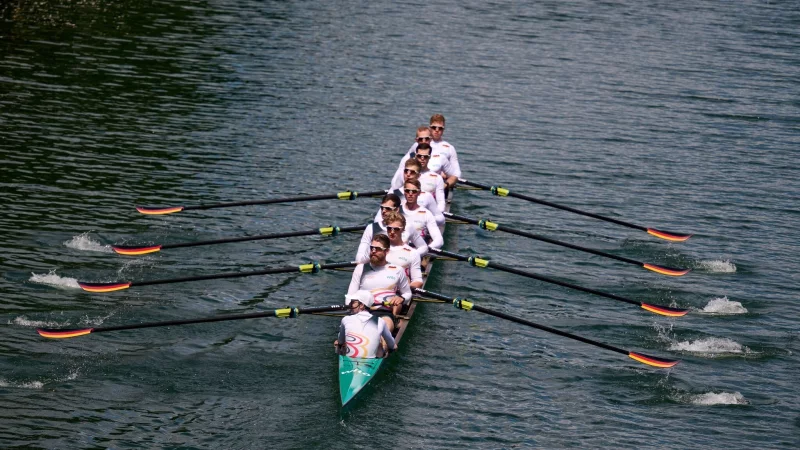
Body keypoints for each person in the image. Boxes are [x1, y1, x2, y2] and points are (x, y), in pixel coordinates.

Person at [348, 234, 412, 333]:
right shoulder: (360, 268)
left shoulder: (397, 270)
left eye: (377, 249)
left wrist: (401, 298)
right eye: (371, 248)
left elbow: (408, 294)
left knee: (382, 329)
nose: (373, 251)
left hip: (384, 312)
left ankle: (383, 340)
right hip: (362, 311)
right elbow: (350, 296)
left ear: (386, 251)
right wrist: (354, 305)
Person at [355, 193, 428, 263]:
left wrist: (410, 257)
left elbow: (424, 247)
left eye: (387, 209)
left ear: (396, 210)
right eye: (382, 208)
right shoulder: (371, 228)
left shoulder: (408, 227)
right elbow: (360, 255)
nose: (383, 211)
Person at [383, 157, 444, 229]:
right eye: (406, 171)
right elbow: (380, 216)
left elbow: (441, 219)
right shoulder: (393, 193)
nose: (408, 174)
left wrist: (426, 220)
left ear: (418, 176)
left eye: (412, 172)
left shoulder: (426, 196)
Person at [335, 290, 397, 358]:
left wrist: (341, 343)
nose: (349, 304)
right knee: (384, 345)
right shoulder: (380, 321)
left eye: (352, 302)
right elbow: (392, 345)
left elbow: (340, 341)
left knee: (338, 343)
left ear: (361, 305)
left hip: (350, 359)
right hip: (372, 360)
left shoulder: (346, 319)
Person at [382, 211, 423, 288]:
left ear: (403, 229)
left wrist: (405, 290)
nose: (392, 232)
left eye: (396, 229)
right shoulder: (378, 248)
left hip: (399, 294)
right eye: (389, 228)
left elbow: (418, 281)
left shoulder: (413, 253)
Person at [401, 179, 443, 251]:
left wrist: (424, 250)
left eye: (414, 191)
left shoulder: (426, 214)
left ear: (419, 193)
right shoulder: (396, 211)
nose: (410, 194)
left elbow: (439, 240)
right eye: (407, 191)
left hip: (418, 250)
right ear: (404, 192)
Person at [428, 114, 461, 190]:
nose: (437, 130)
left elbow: (457, 173)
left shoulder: (450, 148)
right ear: (430, 128)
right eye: (434, 127)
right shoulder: (422, 144)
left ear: (443, 130)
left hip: (442, 184)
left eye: (440, 128)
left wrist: (446, 181)